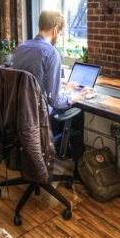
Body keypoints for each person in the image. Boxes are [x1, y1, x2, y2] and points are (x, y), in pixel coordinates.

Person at [12, 10, 89, 170]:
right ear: (55, 30)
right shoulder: (51, 53)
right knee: (77, 110)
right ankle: (76, 166)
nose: (59, 37)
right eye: (60, 34)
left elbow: (30, 79)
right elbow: (55, 101)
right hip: (38, 115)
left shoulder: (21, 47)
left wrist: (58, 82)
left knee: (66, 101)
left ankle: (56, 150)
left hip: (20, 112)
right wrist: (76, 96)